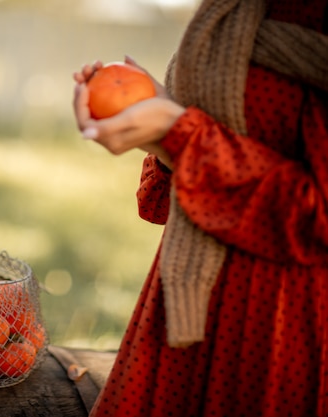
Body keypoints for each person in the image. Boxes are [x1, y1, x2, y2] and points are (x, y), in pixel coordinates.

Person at [72, 0, 328, 416]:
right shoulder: (235, 11)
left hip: (281, 329)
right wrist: (159, 131)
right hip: (185, 308)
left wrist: (178, 134)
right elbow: (211, 164)